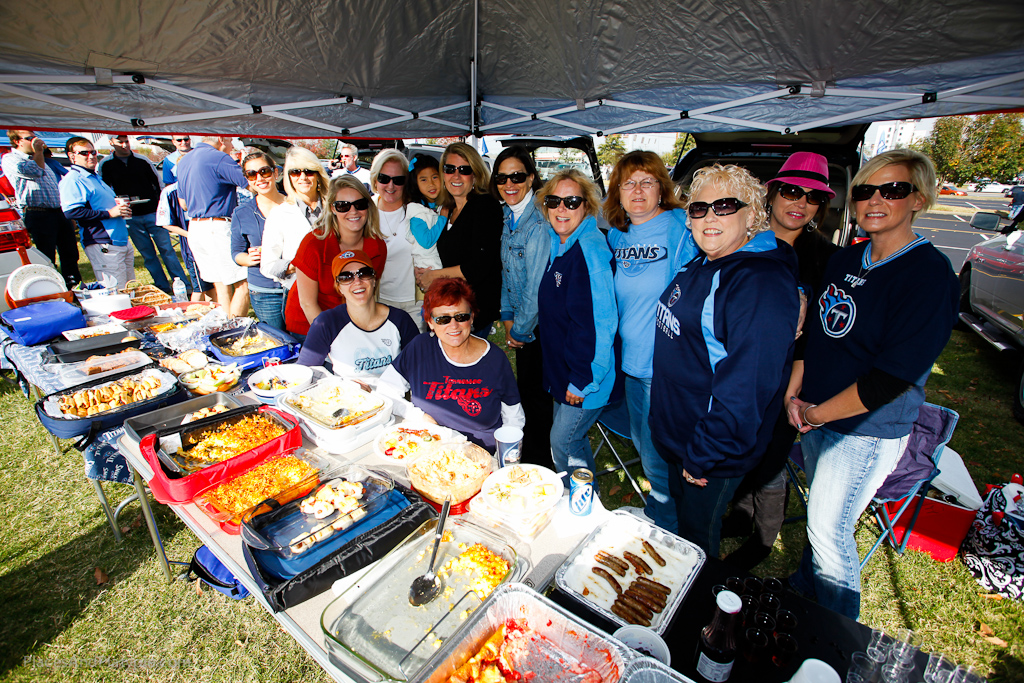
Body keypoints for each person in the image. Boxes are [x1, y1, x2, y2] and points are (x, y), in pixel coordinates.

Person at [787, 150, 959, 620]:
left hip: (864, 430)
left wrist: (816, 413)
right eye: (865, 190)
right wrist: (795, 392)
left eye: (893, 190)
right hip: (814, 413)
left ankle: (840, 641)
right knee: (821, 515)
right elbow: (817, 332)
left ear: (919, 198)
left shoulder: (929, 276)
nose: (875, 200)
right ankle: (804, 588)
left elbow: (892, 378)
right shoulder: (846, 258)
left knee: (829, 532)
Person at [649, 163, 800, 557]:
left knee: (696, 545)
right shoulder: (704, 261)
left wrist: (703, 454)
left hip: (709, 449)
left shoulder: (758, 283)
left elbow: (747, 387)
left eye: (725, 205)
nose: (710, 217)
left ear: (752, 215)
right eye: (699, 209)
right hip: (681, 436)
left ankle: (705, 597)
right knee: (682, 533)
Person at [723, 152, 840, 571]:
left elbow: (822, 330)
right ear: (771, 194)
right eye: (791, 191)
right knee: (740, 444)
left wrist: (794, 386)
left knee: (772, 458)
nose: (800, 202)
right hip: (740, 366)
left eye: (813, 197)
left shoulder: (826, 257)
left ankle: (763, 539)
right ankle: (741, 514)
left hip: (791, 373)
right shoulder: (743, 239)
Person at [604, 150, 694, 532]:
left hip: (665, 363)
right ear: (618, 192)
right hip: (633, 360)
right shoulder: (616, 234)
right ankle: (663, 508)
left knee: (657, 451)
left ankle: (667, 524)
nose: (638, 190)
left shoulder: (680, 227)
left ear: (662, 188)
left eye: (647, 182)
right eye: (629, 183)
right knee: (642, 442)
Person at [379, 277, 524, 451]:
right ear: (430, 322)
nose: (454, 326)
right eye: (443, 319)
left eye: (461, 317)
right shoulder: (419, 348)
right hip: (429, 448)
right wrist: (419, 416)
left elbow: (513, 416)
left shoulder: (494, 359)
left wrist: (505, 454)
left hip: (480, 452)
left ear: (472, 318)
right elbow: (386, 391)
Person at [536, 169, 617, 475]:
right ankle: (583, 497)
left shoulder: (589, 251)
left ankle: (579, 500)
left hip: (585, 376)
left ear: (587, 206)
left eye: (571, 201)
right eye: (554, 201)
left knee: (563, 443)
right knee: (572, 442)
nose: (561, 208)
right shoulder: (561, 244)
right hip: (566, 370)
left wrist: (583, 378)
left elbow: (600, 322)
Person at [489, 146, 553, 466]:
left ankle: (541, 465)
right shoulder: (506, 216)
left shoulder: (538, 221)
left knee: (537, 398)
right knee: (527, 392)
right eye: (502, 178)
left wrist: (521, 330)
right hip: (522, 323)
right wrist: (506, 317)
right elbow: (505, 272)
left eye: (516, 176)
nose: (509, 184)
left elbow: (535, 286)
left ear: (530, 178)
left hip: (541, 326)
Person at [415, 142, 503, 337]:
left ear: (475, 174)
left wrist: (434, 276)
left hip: (472, 313)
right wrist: (424, 272)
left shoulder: (485, 206)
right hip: (447, 306)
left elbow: (479, 266)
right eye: (449, 169)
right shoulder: (448, 210)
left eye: (464, 170)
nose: (456, 176)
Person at [285, 175, 387, 337]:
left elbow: (367, 295)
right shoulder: (313, 244)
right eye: (343, 206)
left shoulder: (377, 246)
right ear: (332, 208)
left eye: (360, 204)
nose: (353, 211)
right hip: (309, 325)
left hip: (349, 324)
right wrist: (333, 340)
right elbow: (307, 303)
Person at [297, 249, 420, 377]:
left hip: (394, 390)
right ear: (339, 287)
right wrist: (343, 385)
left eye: (364, 273)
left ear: (374, 280)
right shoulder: (327, 323)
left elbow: (420, 368)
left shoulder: (400, 320)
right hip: (345, 390)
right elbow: (303, 373)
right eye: (346, 277)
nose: (357, 282)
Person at [99, 135, 189, 293]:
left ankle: (182, 284)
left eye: (126, 141)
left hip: (152, 213)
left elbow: (158, 183)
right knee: (148, 254)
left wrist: (161, 207)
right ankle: (162, 286)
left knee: (167, 250)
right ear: (111, 143)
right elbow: (105, 190)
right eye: (120, 142)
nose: (124, 145)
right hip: (130, 216)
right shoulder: (106, 164)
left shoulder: (142, 160)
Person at [370, 149, 447, 332]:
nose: (391, 185)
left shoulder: (420, 210)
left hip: (417, 300)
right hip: (380, 301)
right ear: (375, 180)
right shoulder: (365, 212)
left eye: (398, 180)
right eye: (384, 178)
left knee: (417, 347)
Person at [176, 135, 251, 315]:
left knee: (221, 287)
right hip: (217, 227)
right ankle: (235, 327)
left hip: (195, 227)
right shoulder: (218, 157)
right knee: (243, 284)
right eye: (231, 141)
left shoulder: (184, 160)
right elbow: (251, 183)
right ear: (221, 138)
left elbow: (183, 203)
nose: (232, 146)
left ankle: (225, 326)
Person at [2, 130, 82, 287]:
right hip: (38, 213)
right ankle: (51, 289)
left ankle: (75, 288)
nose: (35, 141)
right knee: (47, 256)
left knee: (70, 254)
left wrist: (67, 214)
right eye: (30, 138)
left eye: (35, 137)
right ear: (18, 141)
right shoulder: (11, 158)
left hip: (58, 212)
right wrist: (38, 152)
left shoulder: (41, 159)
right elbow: (35, 171)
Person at [58, 137, 134, 288]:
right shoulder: (73, 179)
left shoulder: (95, 177)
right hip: (101, 241)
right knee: (115, 292)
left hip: (119, 239)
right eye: (84, 153)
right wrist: (109, 214)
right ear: (72, 156)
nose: (91, 156)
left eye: (93, 152)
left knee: (130, 289)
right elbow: (71, 212)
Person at [260, 147, 329, 292]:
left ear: (318, 174)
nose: (303, 177)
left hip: (335, 291)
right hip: (297, 291)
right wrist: (301, 265)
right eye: (296, 172)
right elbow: (268, 265)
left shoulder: (336, 208)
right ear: (289, 177)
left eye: (309, 171)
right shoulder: (279, 214)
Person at [230, 152, 287, 328]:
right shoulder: (242, 213)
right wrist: (248, 259)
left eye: (264, 171)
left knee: (306, 339)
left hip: (298, 286)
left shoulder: (295, 206)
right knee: (276, 340)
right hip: (264, 291)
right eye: (252, 174)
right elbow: (236, 253)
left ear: (275, 173)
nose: (259, 178)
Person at [155, 181, 214, 301]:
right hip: (193, 249)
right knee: (200, 288)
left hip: (213, 243)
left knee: (213, 286)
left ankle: (215, 310)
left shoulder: (206, 183)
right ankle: (192, 311)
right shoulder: (170, 192)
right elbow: (164, 222)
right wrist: (190, 235)